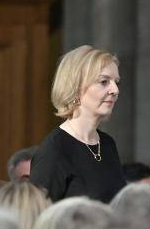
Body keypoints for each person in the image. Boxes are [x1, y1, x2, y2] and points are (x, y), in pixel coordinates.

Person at [30, 45, 126, 203]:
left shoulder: (107, 144)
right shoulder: (54, 150)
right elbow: (37, 217)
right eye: (104, 81)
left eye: (116, 82)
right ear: (75, 87)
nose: (115, 90)